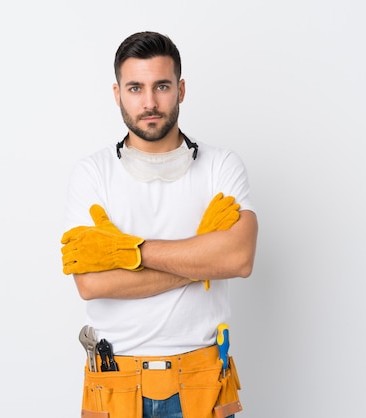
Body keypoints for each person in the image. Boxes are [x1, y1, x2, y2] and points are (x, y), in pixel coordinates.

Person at [60, 31, 258, 418]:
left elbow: (238, 259)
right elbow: (91, 283)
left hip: (203, 381)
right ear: (117, 93)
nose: (149, 102)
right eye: (135, 88)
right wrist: (200, 257)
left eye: (161, 86)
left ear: (181, 90)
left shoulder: (221, 167)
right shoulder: (92, 174)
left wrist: (128, 252)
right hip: (115, 381)